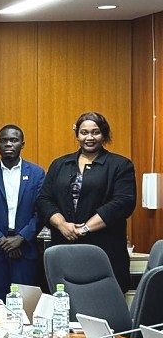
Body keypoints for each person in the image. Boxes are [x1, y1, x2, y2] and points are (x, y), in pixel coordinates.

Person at [38, 112, 136, 292]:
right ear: (77, 135)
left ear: (104, 134)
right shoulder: (59, 164)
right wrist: (62, 225)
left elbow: (123, 203)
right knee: (63, 300)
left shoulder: (120, 165)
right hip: (63, 247)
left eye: (95, 132)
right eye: (84, 132)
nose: (89, 137)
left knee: (103, 302)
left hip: (105, 251)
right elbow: (45, 199)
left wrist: (84, 228)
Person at [0, 126, 45, 301]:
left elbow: (41, 211)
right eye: (4, 140)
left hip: (25, 249)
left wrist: (21, 238)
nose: (8, 144)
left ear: (22, 144)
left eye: (13, 140)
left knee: (24, 304)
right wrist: (2, 241)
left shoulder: (36, 173)